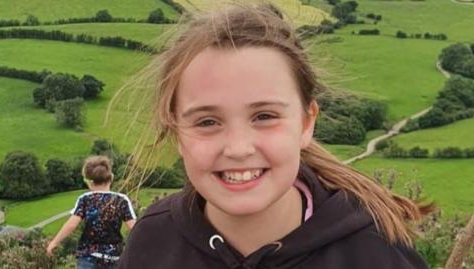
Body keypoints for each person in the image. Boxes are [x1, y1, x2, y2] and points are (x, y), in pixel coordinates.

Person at [119, 3, 432, 268]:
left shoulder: (376, 253)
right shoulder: (152, 242)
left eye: (264, 116)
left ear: (306, 123)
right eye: (207, 122)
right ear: (176, 133)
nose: (239, 149)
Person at [47, 156, 137, 268]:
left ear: (88, 182)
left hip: (88, 257)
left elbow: (71, 225)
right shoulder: (121, 200)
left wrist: (54, 242)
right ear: (111, 178)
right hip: (114, 259)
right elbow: (135, 228)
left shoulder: (85, 199)